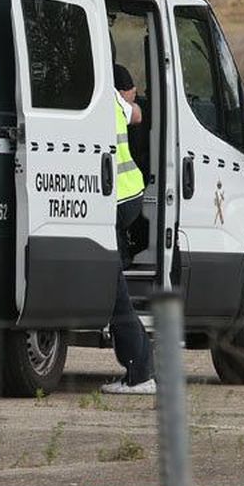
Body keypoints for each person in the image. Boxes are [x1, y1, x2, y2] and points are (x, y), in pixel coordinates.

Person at [102, 63, 155, 395]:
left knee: (115, 290)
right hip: (129, 195)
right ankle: (141, 368)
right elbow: (137, 115)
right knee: (113, 283)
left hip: (117, 199)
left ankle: (140, 372)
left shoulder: (96, 98)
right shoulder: (111, 98)